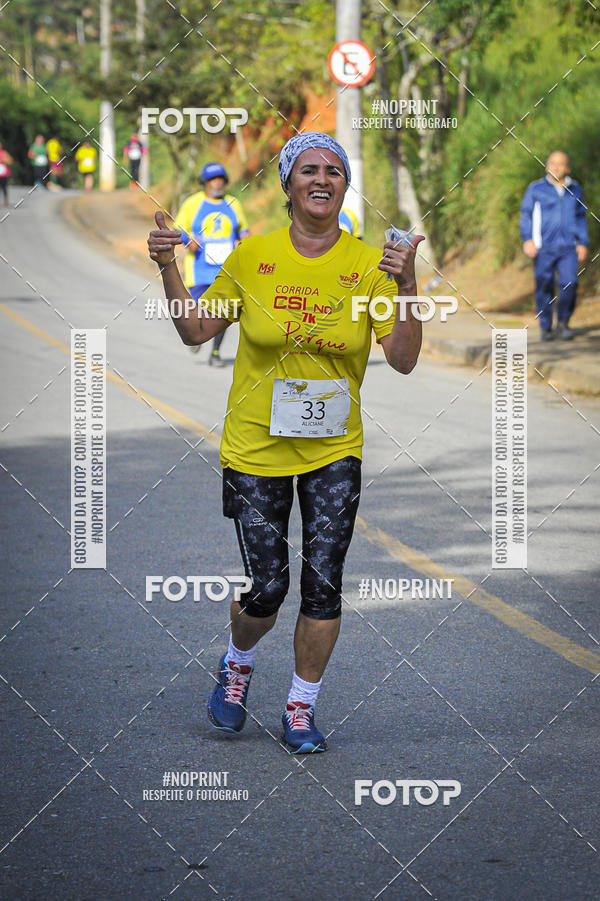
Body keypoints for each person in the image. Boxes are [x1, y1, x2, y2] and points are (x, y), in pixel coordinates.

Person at [148, 132, 423, 754]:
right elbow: (195, 329)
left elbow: (403, 360)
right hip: (255, 450)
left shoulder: (368, 266)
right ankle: (237, 662)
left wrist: (408, 288)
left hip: (333, 449)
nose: (322, 178)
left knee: (324, 580)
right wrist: (169, 266)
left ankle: (300, 708)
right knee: (267, 588)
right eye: (308, 170)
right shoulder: (252, 258)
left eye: (334, 169)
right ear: (287, 186)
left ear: (345, 185)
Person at [173, 162, 249, 366]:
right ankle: (195, 335)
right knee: (198, 311)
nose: (217, 183)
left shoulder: (233, 203)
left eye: (220, 179)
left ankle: (215, 352)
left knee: (223, 312)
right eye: (212, 180)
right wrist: (189, 241)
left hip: (226, 270)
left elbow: (244, 230)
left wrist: (242, 241)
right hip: (198, 270)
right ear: (204, 183)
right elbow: (178, 228)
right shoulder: (192, 203)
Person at [520, 151, 588, 341]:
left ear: (568, 168)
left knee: (570, 283)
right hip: (544, 247)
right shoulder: (536, 189)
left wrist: (582, 242)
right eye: (553, 163)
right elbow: (526, 214)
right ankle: (545, 326)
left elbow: (581, 217)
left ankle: (563, 323)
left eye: (561, 164)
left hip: (568, 247)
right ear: (546, 166)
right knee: (544, 285)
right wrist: (528, 239)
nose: (556, 167)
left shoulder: (575, 189)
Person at [0, 142, 14, 206]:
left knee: (4, 188)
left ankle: (6, 200)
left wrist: (3, 161)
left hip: (3, 174)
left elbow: (11, 161)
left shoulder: (4, 153)